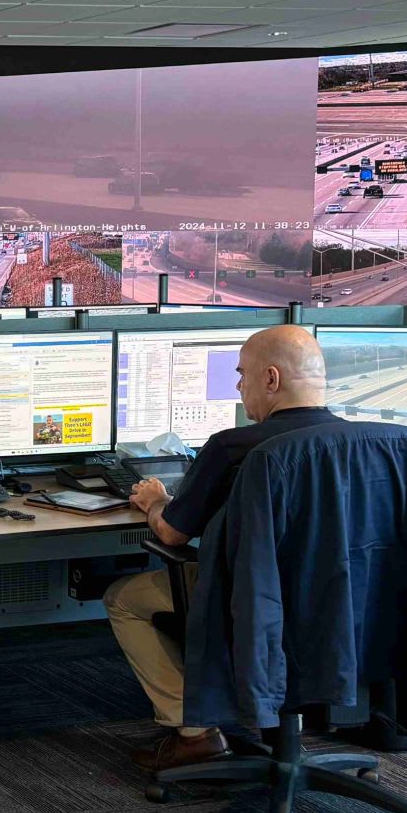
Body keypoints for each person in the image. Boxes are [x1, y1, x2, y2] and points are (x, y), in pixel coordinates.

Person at [105, 325, 344, 772]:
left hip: (254, 602)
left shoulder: (234, 447)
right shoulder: (366, 444)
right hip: (339, 603)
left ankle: (193, 733)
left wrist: (155, 501)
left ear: (270, 379)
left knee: (122, 598)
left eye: (242, 376)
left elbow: (173, 534)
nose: (239, 387)